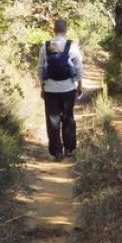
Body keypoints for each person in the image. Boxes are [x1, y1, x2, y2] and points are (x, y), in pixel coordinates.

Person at [38, 18, 83, 161]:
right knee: (68, 118)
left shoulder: (46, 46)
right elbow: (78, 67)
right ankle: (69, 148)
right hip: (68, 87)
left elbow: (40, 68)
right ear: (66, 30)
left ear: (54, 29)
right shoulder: (71, 46)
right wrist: (79, 85)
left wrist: (42, 86)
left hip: (50, 88)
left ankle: (57, 152)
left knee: (53, 120)